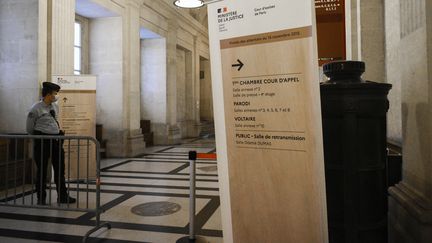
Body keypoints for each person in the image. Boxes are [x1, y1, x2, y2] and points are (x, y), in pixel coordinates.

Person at [26, 82, 76, 205]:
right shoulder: (36, 108)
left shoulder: (55, 107)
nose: (56, 96)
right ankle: (41, 198)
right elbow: (29, 128)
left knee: (60, 169)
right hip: (42, 142)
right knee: (42, 170)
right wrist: (40, 137)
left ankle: (63, 196)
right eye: (54, 93)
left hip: (55, 141)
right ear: (48, 94)